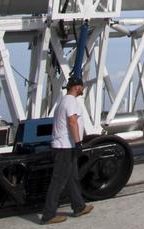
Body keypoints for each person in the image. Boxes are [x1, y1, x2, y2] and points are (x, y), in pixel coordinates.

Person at [41, 76, 94, 225]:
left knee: (72, 178)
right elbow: (72, 121)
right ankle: (48, 215)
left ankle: (79, 206)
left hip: (65, 146)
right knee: (58, 181)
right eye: (81, 87)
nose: (83, 89)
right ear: (77, 87)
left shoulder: (63, 101)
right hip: (64, 147)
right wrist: (78, 142)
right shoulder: (71, 101)